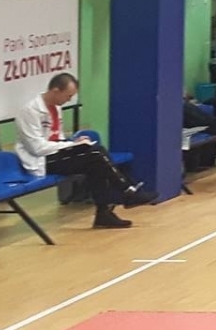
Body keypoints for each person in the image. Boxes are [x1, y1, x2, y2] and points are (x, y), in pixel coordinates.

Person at [12, 73, 139, 228]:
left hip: (55, 154)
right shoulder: (30, 111)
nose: (69, 100)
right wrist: (69, 145)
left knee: (96, 155)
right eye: (68, 95)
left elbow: (56, 137)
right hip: (41, 160)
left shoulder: (56, 108)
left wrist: (72, 142)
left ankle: (105, 212)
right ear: (56, 90)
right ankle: (127, 191)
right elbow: (37, 148)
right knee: (95, 156)